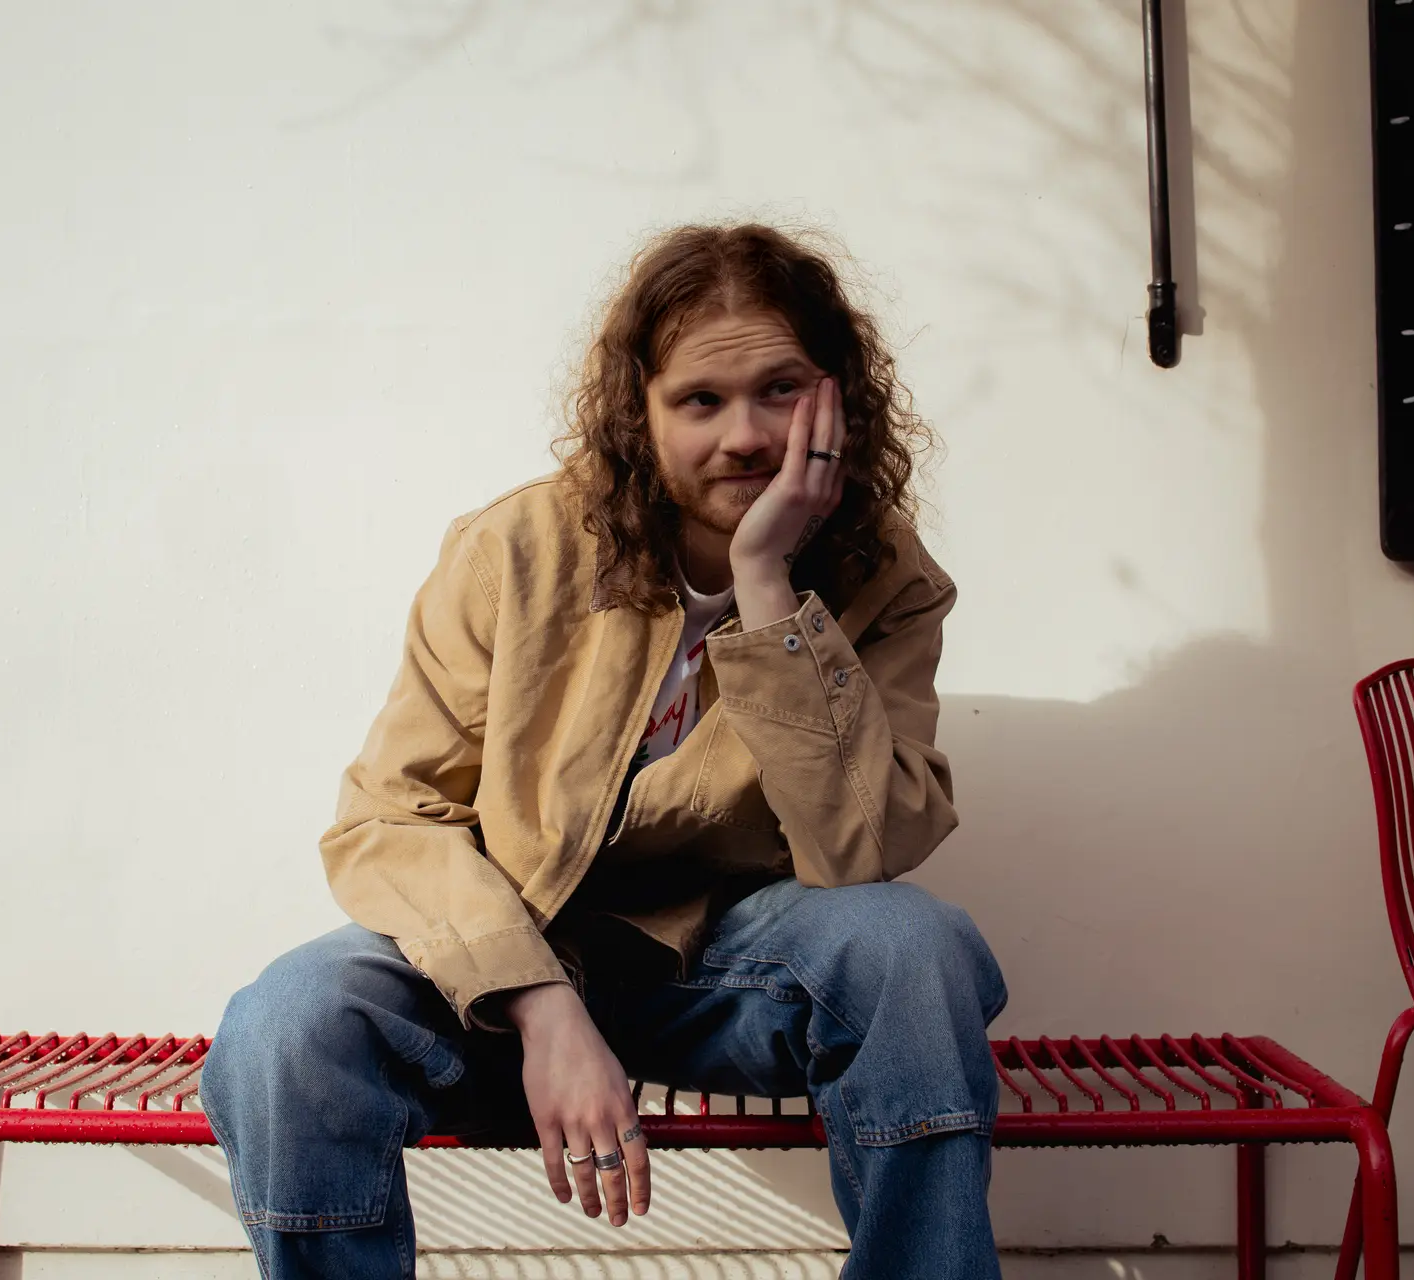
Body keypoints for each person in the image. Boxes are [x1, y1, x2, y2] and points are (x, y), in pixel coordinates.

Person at [199, 222, 1008, 1279]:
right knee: (282, 1026)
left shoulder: (885, 577)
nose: (747, 436)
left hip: (727, 969)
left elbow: (860, 848)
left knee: (912, 946)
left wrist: (770, 589)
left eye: (781, 389)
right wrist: (538, 1000)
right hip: (507, 961)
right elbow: (390, 817)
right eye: (701, 401)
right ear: (642, 406)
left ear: (838, 393)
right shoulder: (518, 549)